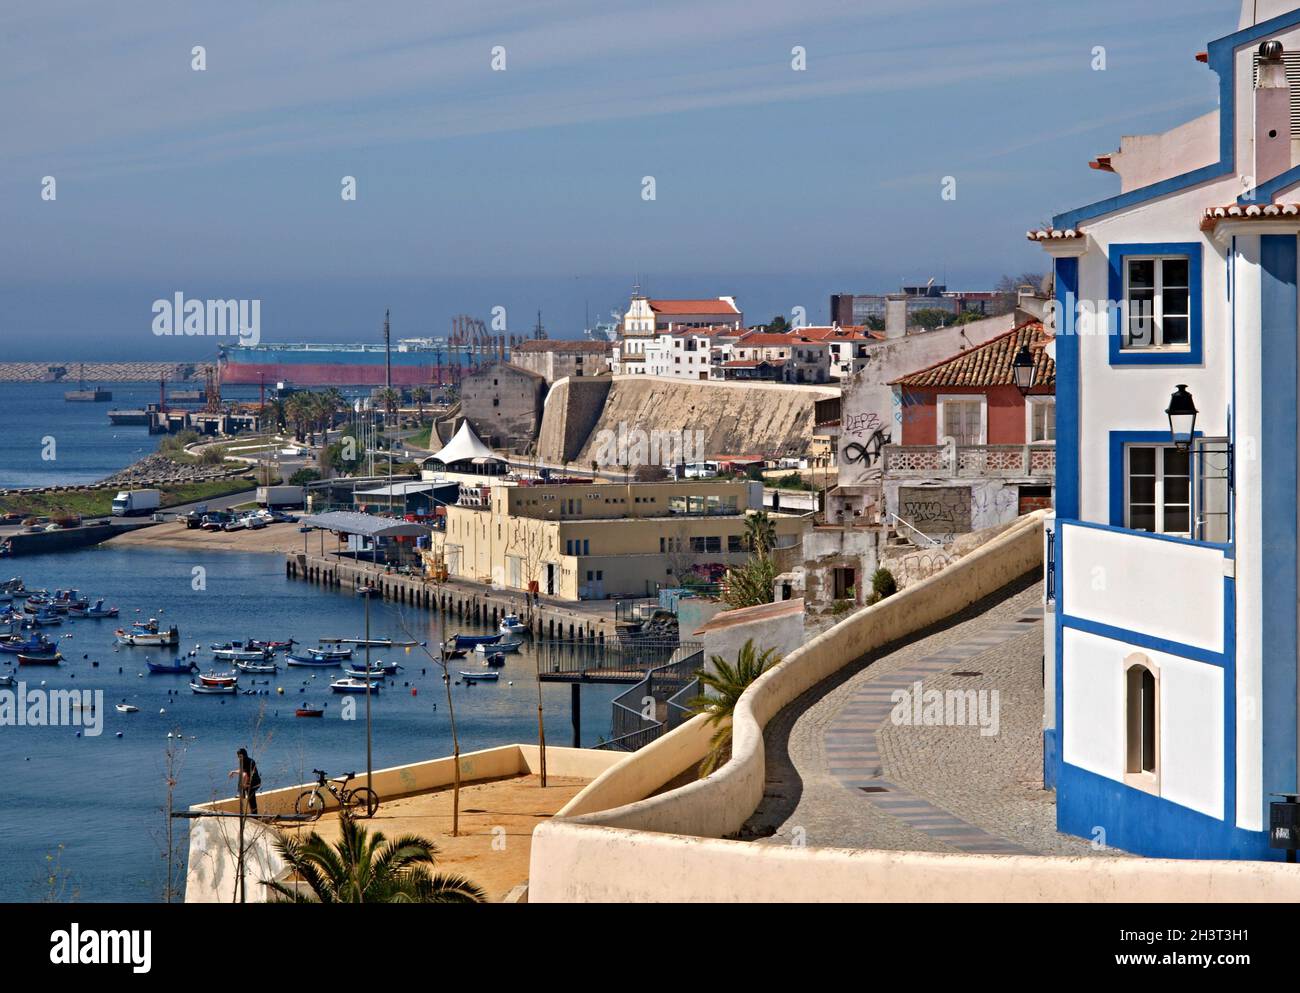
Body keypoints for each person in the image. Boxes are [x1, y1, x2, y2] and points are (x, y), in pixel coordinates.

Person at [229, 748, 261, 815]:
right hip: (255, 782)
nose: (238, 757)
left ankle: (255, 816)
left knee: (252, 801)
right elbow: (242, 771)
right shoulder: (248, 760)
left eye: (239, 756)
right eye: (238, 756)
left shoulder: (246, 761)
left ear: (243, 755)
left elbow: (245, 774)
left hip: (253, 783)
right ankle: (242, 794)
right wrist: (234, 772)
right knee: (252, 800)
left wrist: (244, 785)